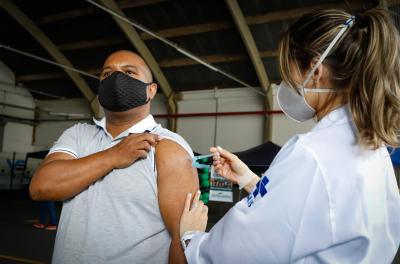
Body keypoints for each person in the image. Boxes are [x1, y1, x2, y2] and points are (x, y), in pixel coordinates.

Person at [179, 8, 400, 263]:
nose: (286, 82)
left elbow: (231, 255)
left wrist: (190, 236)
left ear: (315, 70)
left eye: (288, 70)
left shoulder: (313, 155)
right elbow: (315, 215)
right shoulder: (372, 147)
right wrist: (251, 180)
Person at [30, 50, 198, 264]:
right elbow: (41, 187)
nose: (116, 79)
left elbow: (183, 241)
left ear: (151, 90)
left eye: (129, 72)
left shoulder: (167, 146)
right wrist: (113, 156)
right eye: (107, 74)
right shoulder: (78, 134)